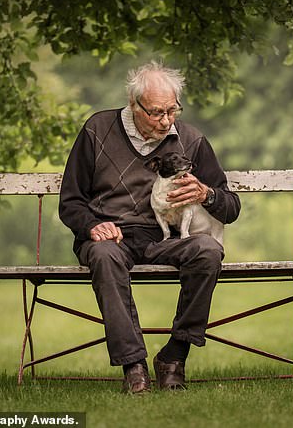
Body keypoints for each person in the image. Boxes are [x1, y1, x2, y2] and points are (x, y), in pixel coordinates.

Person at [58, 61, 240, 394]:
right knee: (103, 255)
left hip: (165, 240)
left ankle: (174, 357)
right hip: (112, 239)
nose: (167, 121)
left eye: (173, 110)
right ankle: (134, 367)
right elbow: (70, 202)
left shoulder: (191, 140)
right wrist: (93, 226)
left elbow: (231, 207)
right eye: (156, 113)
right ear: (134, 104)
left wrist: (207, 194)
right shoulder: (97, 129)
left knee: (209, 251)